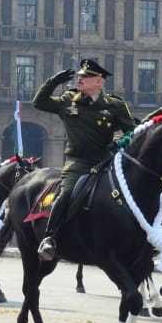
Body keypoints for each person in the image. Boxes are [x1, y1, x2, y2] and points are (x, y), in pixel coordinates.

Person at [33, 58, 136, 261]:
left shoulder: (115, 105)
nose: (80, 79)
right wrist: (53, 82)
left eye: (86, 77)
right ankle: (50, 237)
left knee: (131, 192)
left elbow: (132, 132)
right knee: (66, 194)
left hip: (105, 162)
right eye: (79, 76)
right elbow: (39, 102)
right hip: (78, 162)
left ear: (99, 81)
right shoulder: (68, 101)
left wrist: (120, 143)